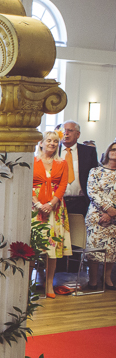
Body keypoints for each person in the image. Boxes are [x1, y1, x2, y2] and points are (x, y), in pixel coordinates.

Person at [33, 130, 71, 299]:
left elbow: (63, 185)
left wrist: (51, 203)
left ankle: (49, 284)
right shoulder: (32, 161)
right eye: (48, 140)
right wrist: (38, 203)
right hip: (35, 208)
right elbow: (26, 183)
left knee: (52, 248)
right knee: (33, 246)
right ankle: (27, 284)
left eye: (55, 141)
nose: (52, 144)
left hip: (55, 209)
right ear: (41, 143)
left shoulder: (62, 163)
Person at [85, 142, 116, 290]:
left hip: (114, 218)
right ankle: (93, 280)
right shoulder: (95, 171)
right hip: (96, 216)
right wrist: (107, 209)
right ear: (108, 151)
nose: (115, 152)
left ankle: (107, 278)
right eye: (113, 149)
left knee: (112, 249)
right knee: (94, 248)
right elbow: (92, 192)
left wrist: (112, 214)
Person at [60, 120, 100, 217]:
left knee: (79, 230)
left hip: (81, 202)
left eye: (70, 130)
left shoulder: (88, 151)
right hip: (58, 201)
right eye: (64, 130)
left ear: (78, 134)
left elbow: (95, 177)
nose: (66, 133)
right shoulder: (53, 150)